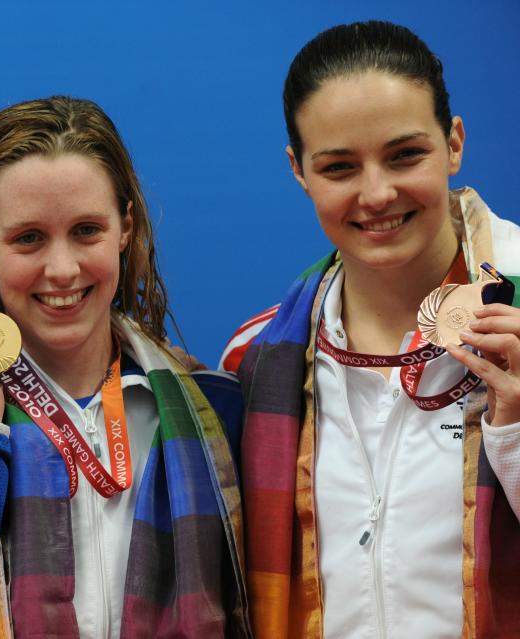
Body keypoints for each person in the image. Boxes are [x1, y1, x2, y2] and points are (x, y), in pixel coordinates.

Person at [0, 96, 250, 638]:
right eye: (28, 238)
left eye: (87, 230)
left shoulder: (219, 407)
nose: (63, 268)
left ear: (126, 228)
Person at [220, 21, 520, 639]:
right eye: (338, 168)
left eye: (405, 154)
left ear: (454, 142)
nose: (377, 193)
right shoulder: (254, 359)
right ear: (298, 171)